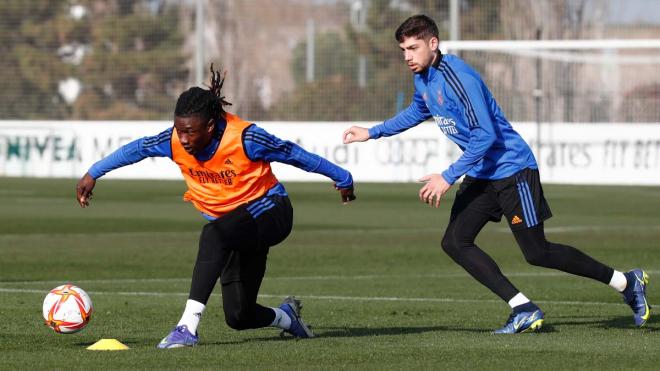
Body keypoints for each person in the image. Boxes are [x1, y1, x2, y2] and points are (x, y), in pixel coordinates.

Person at [342, 15, 650, 334]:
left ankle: (626, 282)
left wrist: (447, 176)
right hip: (482, 173)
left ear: (433, 44)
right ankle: (523, 308)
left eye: (413, 47)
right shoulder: (423, 77)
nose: (407, 56)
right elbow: (418, 111)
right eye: (403, 49)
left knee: (537, 252)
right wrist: (373, 132)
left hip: (513, 170)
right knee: (455, 241)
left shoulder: (459, 77)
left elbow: (485, 135)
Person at [76, 65, 356, 348]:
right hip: (234, 228)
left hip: (271, 210)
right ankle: (286, 318)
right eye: (178, 129)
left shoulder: (245, 137)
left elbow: (293, 154)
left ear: (210, 126)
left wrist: (341, 176)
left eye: (190, 131)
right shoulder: (174, 141)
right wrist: (93, 173)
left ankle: (186, 328)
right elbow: (136, 149)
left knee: (213, 234)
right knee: (239, 315)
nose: (183, 138)